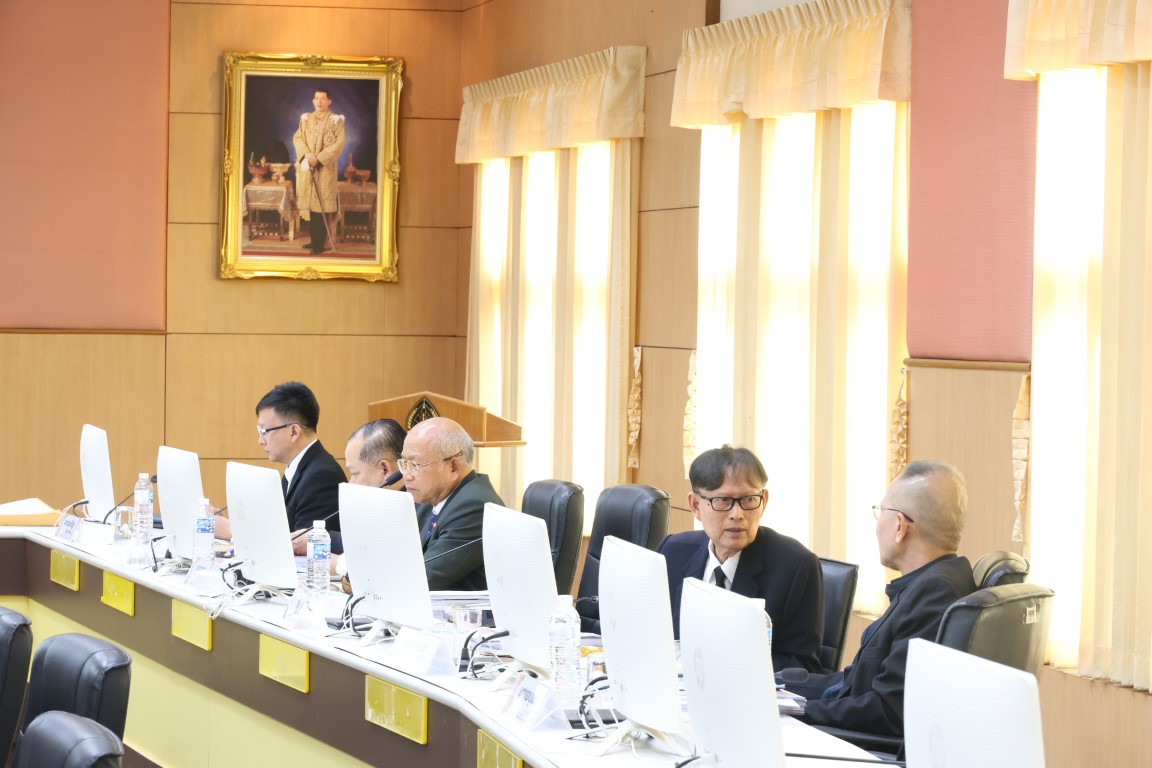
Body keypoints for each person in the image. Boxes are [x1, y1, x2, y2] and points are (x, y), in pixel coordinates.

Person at [799, 460, 978, 739]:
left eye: (881, 511)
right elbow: (857, 683)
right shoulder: (936, 581)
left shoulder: (933, 594)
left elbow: (886, 711)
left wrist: (799, 712)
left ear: (900, 526)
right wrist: (783, 692)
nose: (877, 523)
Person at [658, 446, 825, 673]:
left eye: (748, 500)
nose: (737, 514)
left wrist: (721, 668)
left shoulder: (796, 566)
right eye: (723, 501)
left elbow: (801, 667)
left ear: (763, 501)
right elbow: (652, 633)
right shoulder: (672, 552)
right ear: (695, 506)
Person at [215, 381, 346, 555]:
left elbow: (299, 549)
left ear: (294, 432)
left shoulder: (322, 476)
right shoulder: (299, 468)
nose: (260, 441)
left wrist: (233, 532)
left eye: (264, 431)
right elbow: (277, 529)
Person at [400, 416, 502, 591]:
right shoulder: (431, 496)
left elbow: (423, 579)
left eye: (415, 465)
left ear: (453, 466)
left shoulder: (474, 507)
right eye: (404, 463)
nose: (407, 475)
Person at [331, 418, 407, 580]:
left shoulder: (418, 507)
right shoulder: (378, 504)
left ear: (385, 469)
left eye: (355, 473)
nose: (351, 483)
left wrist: (340, 564)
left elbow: (392, 562)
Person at [293, 88, 345, 254]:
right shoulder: (306, 119)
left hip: (325, 169)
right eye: (316, 98)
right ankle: (314, 241)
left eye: (323, 98)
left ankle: (319, 244)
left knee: (320, 206)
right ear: (313, 100)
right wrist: (307, 155)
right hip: (309, 167)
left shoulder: (336, 121)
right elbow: (298, 138)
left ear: (329, 101)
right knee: (311, 206)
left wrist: (319, 158)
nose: (319, 101)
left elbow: (339, 144)